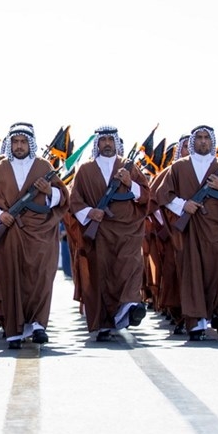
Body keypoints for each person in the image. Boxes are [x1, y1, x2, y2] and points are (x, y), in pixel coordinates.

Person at [0, 123, 67, 348]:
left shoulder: (44, 166)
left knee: (41, 278)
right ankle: (15, 329)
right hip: (9, 233)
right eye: (15, 142)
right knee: (11, 278)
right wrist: (0, 216)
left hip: (41, 234)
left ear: (31, 143)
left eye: (23, 142)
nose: (19, 146)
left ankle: (37, 324)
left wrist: (49, 192)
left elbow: (63, 197)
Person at [155, 125, 218, 341]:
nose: (203, 141)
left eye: (207, 138)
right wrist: (183, 205)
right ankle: (195, 324)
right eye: (199, 138)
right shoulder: (179, 167)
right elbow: (162, 194)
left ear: (212, 142)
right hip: (191, 233)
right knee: (192, 275)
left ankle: (216, 314)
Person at [68, 126, 150, 342]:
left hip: (127, 231)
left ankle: (130, 306)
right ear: (97, 143)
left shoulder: (128, 167)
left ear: (116, 142)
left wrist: (128, 182)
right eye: (102, 140)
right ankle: (104, 323)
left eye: (110, 140)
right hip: (100, 233)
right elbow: (75, 201)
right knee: (101, 276)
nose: (106, 144)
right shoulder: (85, 170)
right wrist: (90, 212)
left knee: (130, 268)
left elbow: (145, 196)